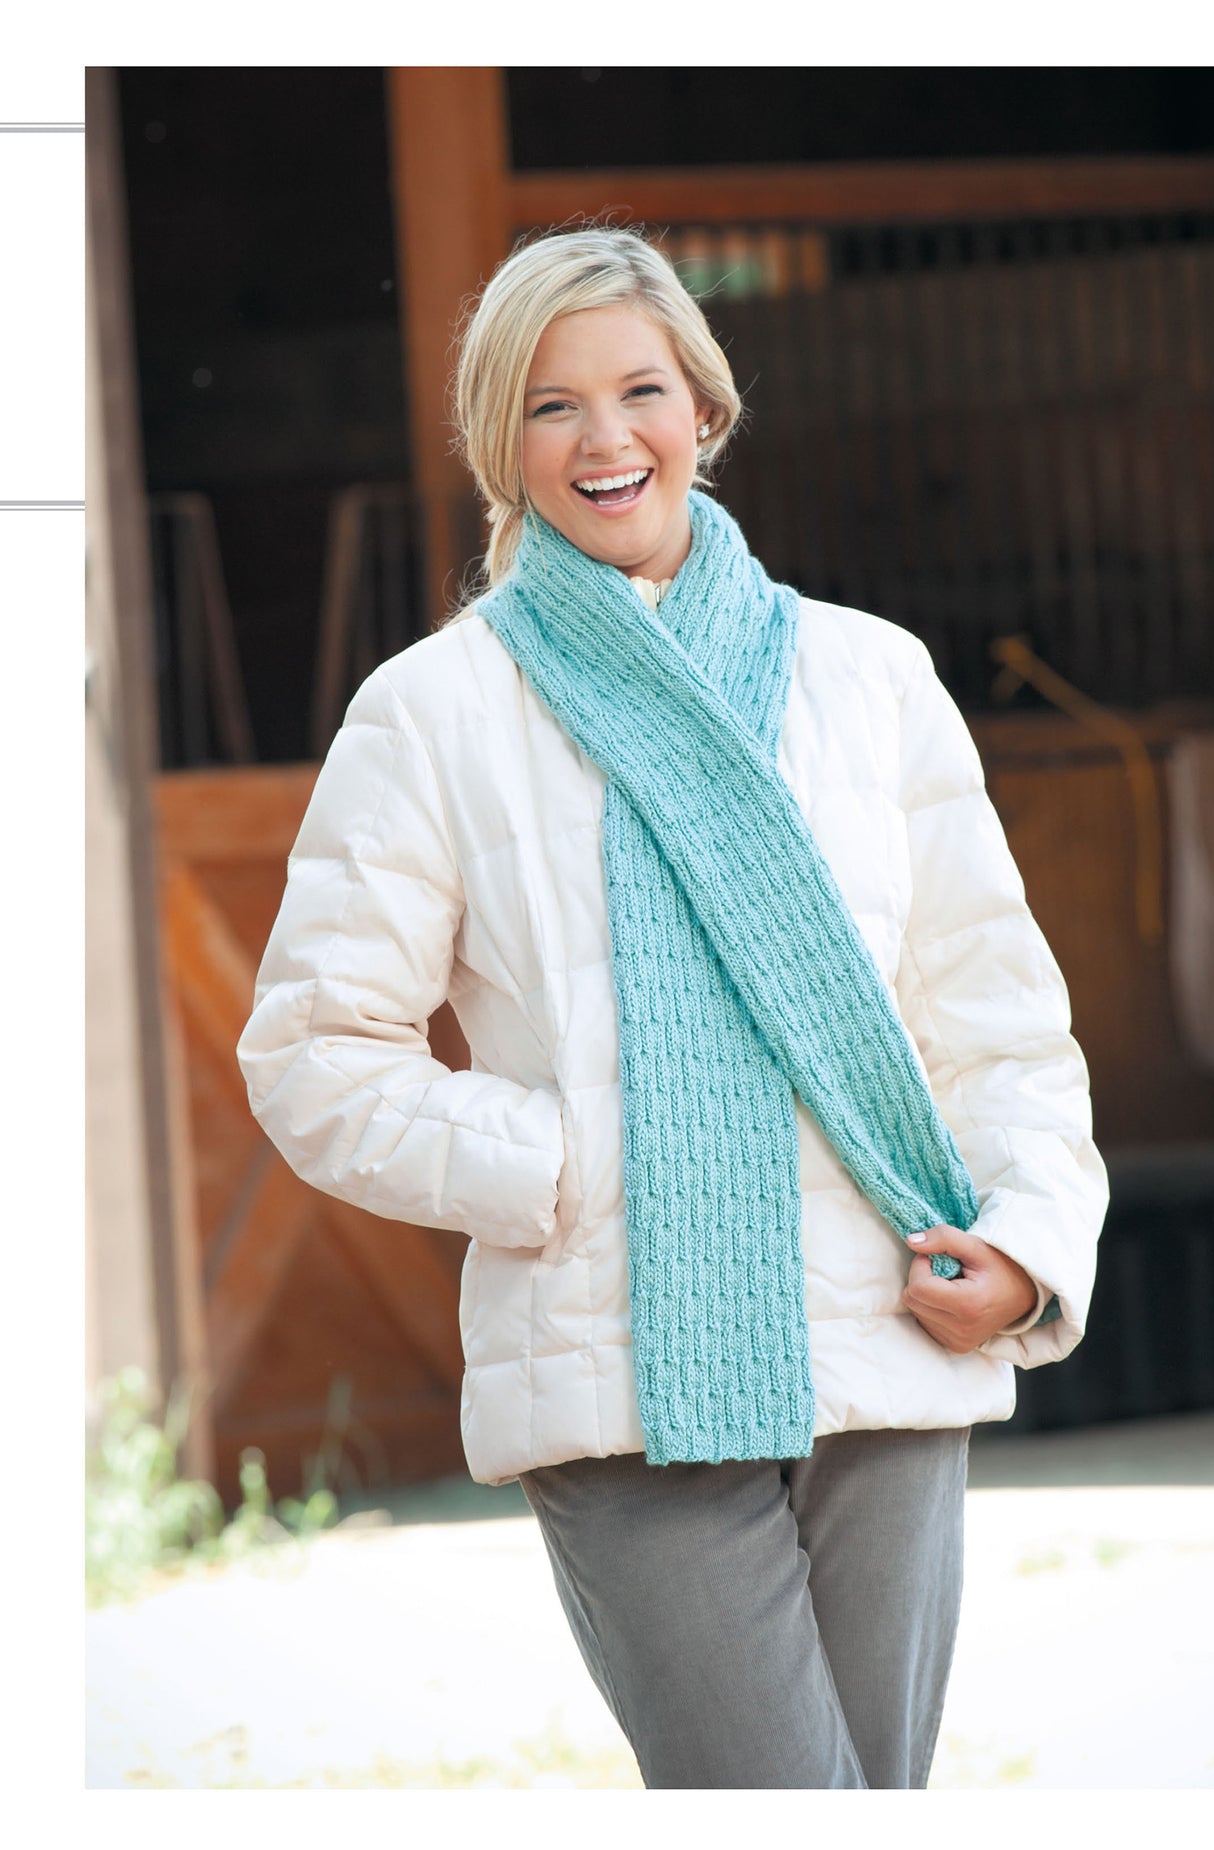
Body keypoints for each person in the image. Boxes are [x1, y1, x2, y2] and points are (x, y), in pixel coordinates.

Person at [237, 224, 1108, 1790]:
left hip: (884, 1335)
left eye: (638, 389)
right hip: (618, 1367)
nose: (602, 438)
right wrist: (564, 1166)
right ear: (501, 441)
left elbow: (995, 1021)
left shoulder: (872, 679)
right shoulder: (432, 711)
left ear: (701, 412)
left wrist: (1034, 1245)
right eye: (548, 404)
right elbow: (314, 1057)